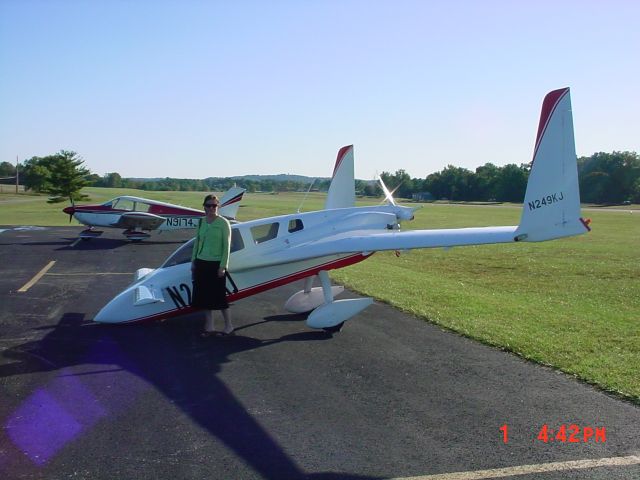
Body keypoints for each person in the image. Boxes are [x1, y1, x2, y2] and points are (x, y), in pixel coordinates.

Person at [191, 194, 234, 336]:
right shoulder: (202, 222)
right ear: (204, 206)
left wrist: (223, 266)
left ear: (218, 207)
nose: (211, 208)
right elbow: (197, 242)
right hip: (201, 262)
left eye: (214, 205)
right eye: (208, 205)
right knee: (203, 296)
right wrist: (193, 261)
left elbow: (226, 246)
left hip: (216, 264)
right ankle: (209, 325)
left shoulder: (223, 223)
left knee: (219, 296)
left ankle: (229, 325)